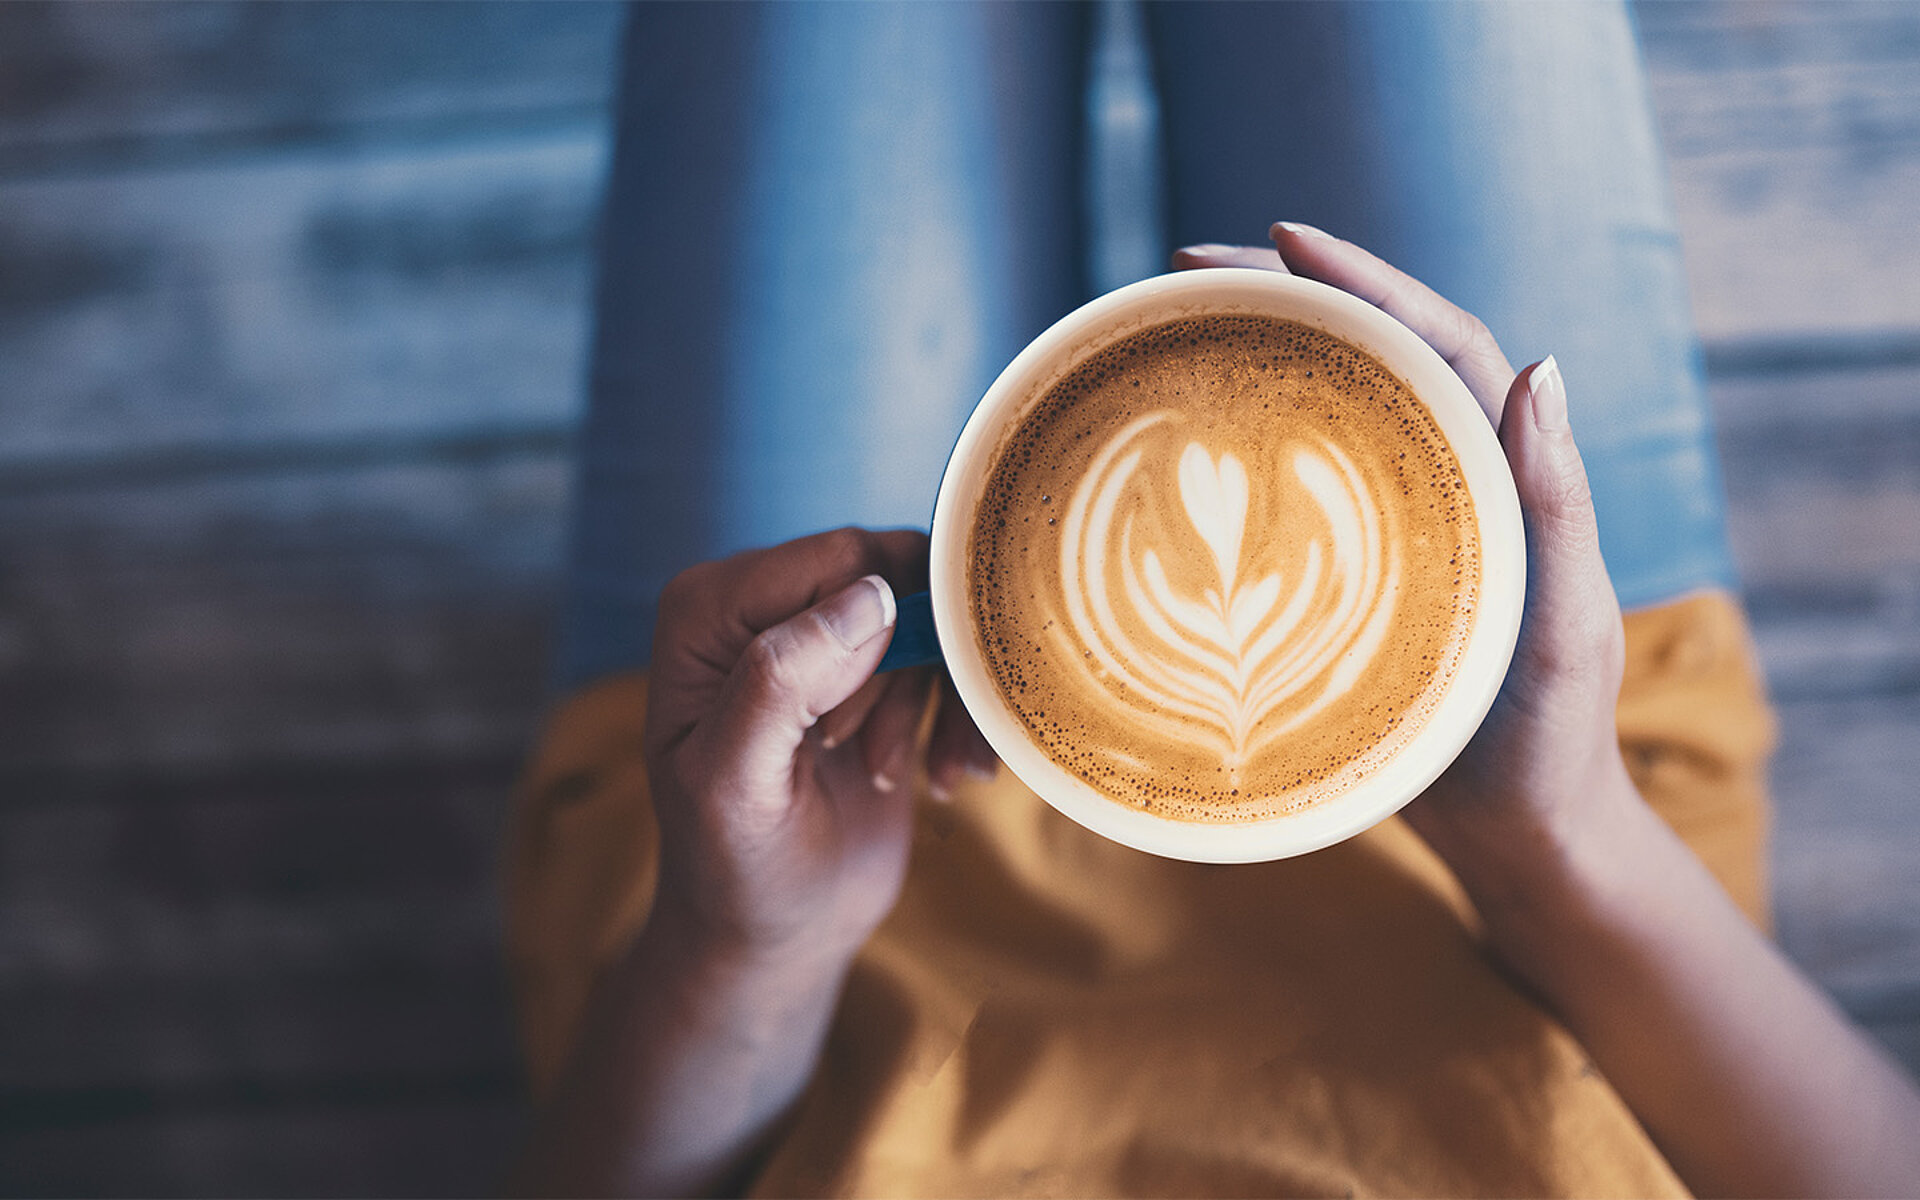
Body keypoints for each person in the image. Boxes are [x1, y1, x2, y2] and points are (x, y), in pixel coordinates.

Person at [504, 5, 1920, 1196]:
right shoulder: (1553, 805)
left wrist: (748, 949)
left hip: (799, 819)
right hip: (1536, 735)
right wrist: (1555, 837)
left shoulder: (756, 900)